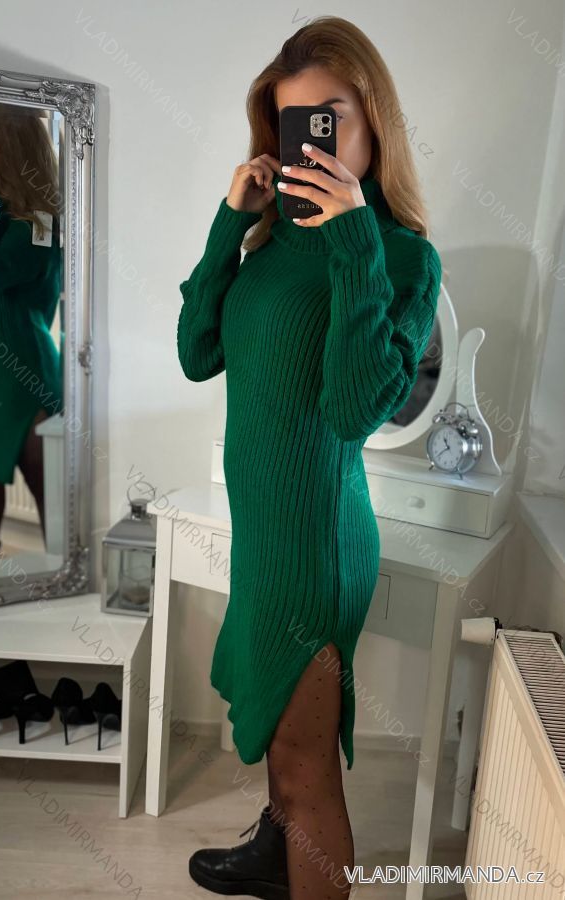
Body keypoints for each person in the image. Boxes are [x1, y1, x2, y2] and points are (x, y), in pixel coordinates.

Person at [178, 15, 442, 900]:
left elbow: (355, 409)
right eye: (294, 124)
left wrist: (355, 236)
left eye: (330, 119)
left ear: (373, 120)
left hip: (315, 550)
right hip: (263, 538)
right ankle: (274, 856)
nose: (312, 143)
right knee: (281, 740)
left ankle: (303, 867)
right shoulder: (268, 242)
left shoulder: (402, 257)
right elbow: (196, 352)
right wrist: (230, 221)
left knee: (305, 770)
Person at [0, 106, 63, 569]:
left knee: (44, 483)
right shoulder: (12, 220)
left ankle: (64, 567)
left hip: (23, 371)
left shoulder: (40, 224)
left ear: (13, 159)